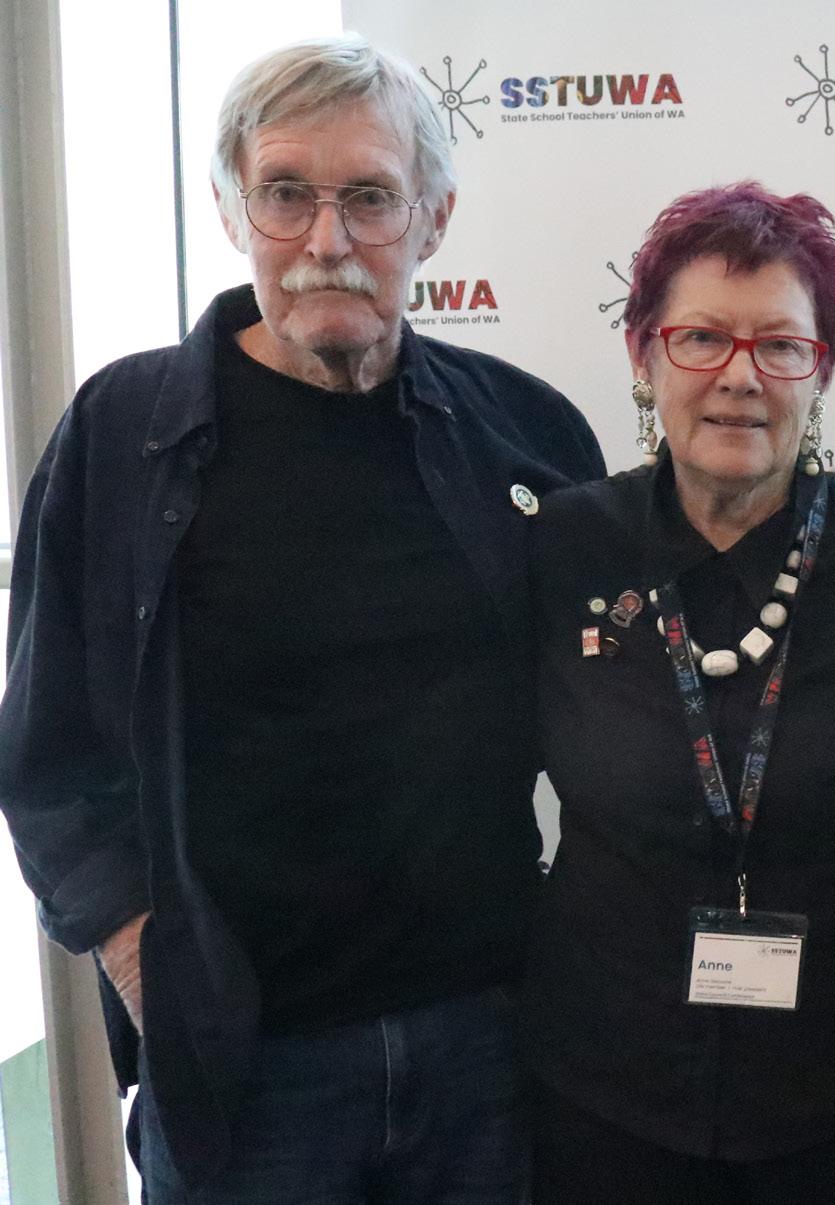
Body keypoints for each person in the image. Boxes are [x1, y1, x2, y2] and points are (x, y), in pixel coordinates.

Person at [0, 35, 605, 1201]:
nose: (327, 240)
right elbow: (47, 752)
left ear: (432, 220)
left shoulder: (523, 433)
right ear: (232, 209)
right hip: (246, 1064)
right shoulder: (124, 434)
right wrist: (141, 961)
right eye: (286, 193)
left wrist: (810, 516)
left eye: (369, 197)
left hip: (485, 1046)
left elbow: (642, 634)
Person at [519, 180, 835, 1203]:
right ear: (643, 354)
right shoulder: (563, 548)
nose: (739, 376)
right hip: (602, 1105)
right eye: (701, 338)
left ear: (820, 369)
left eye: (780, 345)